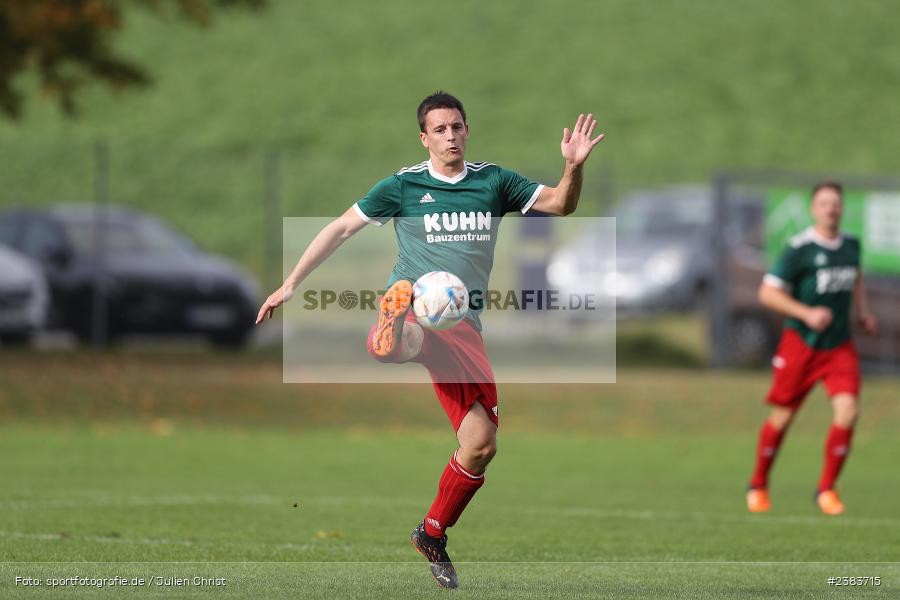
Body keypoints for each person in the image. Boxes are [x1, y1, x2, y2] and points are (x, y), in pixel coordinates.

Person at [256, 91, 604, 588]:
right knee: (414, 327)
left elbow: (560, 205)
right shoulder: (403, 186)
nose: (450, 136)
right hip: (418, 306)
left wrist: (573, 167)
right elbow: (340, 228)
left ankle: (432, 533)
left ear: (467, 131)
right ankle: (391, 335)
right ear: (424, 138)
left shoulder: (494, 181)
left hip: (463, 327)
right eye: (439, 130)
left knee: (481, 445)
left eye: (457, 127)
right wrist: (291, 283)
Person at [746, 181, 877, 516]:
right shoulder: (799, 248)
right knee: (783, 417)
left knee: (848, 412)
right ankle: (758, 484)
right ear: (812, 209)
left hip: (839, 346)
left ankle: (826, 490)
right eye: (823, 203)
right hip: (801, 345)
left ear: (842, 208)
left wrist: (862, 313)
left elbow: (857, 277)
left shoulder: (851, 245)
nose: (830, 208)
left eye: (835, 203)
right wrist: (806, 312)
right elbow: (767, 293)